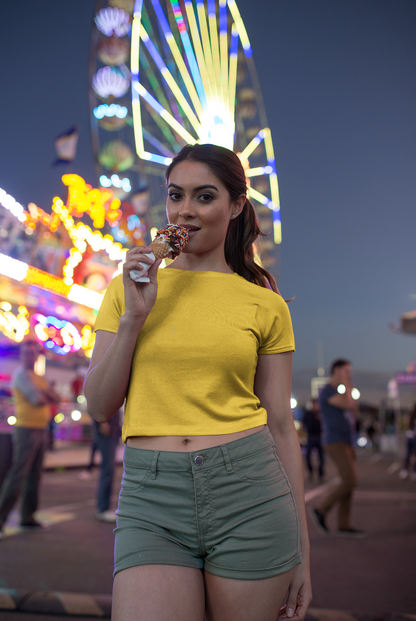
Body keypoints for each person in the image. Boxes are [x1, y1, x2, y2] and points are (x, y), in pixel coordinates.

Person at [84, 144, 312, 621]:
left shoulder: (266, 305)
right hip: (151, 492)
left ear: (234, 206)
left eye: (204, 197)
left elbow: (281, 427)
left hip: (250, 488)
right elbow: (99, 406)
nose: (185, 210)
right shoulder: (126, 289)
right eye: (175, 195)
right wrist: (134, 318)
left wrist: (302, 551)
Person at [0, 340, 60, 539]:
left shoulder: (38, 377)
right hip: (26, 430)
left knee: (34, 477)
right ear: (21, 355)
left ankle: (28, 518)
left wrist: (46, 393)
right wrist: (47, 393)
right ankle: (1, 520)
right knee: (18, 476)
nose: (29, 356)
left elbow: (55, 397)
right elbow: (39, 399)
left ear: (37, 356)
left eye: (32, 353)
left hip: (41, 430)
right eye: (26, 353)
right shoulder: (21, 375)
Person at [312, 359, 365, 538]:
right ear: (336, 370)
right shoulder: (327, 390)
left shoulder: (338, 392)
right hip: (335, 441)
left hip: (347, 441)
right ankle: (321, 509)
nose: (349, 374)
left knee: (348, 482)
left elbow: (355, 411)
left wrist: (347, 389)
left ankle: (344, 524)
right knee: (350, 479)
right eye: (346, 371)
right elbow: (348, 405)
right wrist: (348, 387)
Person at [94, 409, 122, 522]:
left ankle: (104, 508)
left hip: (113, 430)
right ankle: (103, 509)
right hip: (106, 431)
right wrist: (102, 422)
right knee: (107, 470)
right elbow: (94, 399)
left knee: (109, 470)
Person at [302, 400, 324, 482]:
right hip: (310, 437)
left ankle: (320, 473)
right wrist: (303, 433)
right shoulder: (308, 414)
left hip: (320, 437)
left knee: (321, 457)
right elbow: (303, 424)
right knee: (307, 456)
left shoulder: (321, 413)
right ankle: (310, 472)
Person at [399, 404, 416, 480]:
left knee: (409, 455)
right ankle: (407, 470)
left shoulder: (411, 415)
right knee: (408, 454)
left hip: (410, 436)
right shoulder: (411, 416)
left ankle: (408, 471)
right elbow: (407, 425)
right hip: (411, 437)